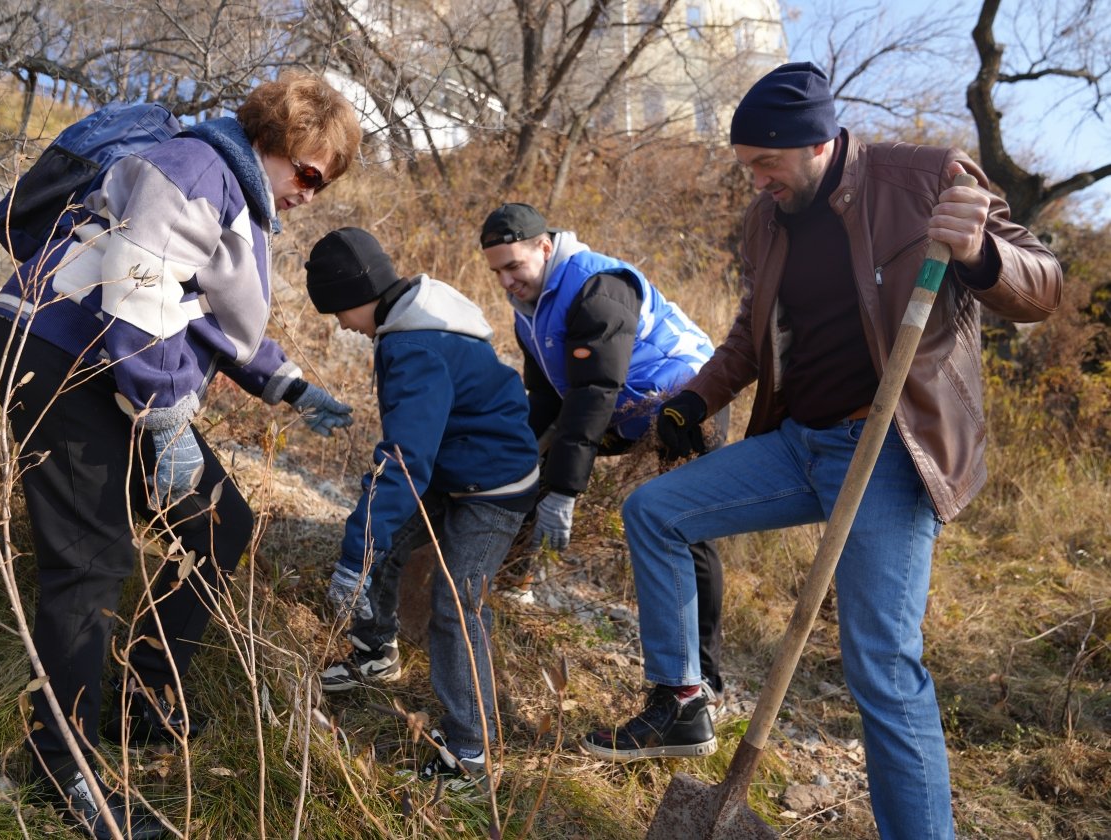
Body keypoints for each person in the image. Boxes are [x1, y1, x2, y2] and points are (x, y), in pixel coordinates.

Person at [581, 62, 1062, 840]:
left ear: (816, 144)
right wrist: (694, 402)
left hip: (890, 451)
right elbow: (750, 332)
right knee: (657, 512)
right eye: (746, 167)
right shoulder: (765, 221)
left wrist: (980, 255)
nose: (756, 181)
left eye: (765, 164)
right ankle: (680, 704)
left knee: (880, 663)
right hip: (799, 443)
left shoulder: (926, 178)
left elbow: (1044, 288)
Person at [0, 73, 361, 839]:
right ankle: (62, 771)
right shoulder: (196, 167)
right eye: (311, 174)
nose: (311, 194)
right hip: (59, 356)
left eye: (325, 184)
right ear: (279, 144)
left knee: (219, 527)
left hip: (107, 366)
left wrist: (288, 385)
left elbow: (204, 315)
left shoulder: (233, 191)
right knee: (90, 562)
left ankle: (143, 703)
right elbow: (136, 288)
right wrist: (162, 421)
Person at [307, 227, 539, 794]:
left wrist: (351, 557)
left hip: (494, 485)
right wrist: (366, 545)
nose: (340, 324)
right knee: (382, 546)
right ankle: (374, 651)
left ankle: (470, 755)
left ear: (359, 293)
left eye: (338, 310)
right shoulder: (413, 317)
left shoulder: (412, 345)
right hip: (455, 465)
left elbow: (405, 461)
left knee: (458, 604)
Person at [478, 203, 730, 707]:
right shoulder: (530, 305)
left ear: (544, 248)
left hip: (687, 401)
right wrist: (519, 462)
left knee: (686, 525)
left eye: (514, 266)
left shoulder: (597, 288)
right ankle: (510, 584)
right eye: (497, 271)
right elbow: (550, 398)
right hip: (625, 409)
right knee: (537, 467)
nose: (506, 281)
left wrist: (567, 491)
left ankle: (704, 679)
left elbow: (594, 391)